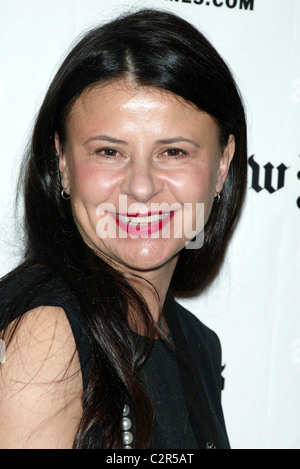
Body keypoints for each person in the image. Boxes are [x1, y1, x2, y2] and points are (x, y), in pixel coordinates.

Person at [0, 8, 247, 449]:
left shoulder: (198, 346)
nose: (142, 187)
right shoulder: (47, 334)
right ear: (62, 162)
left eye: (173, 152)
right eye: (109, 152)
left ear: (223, 165)